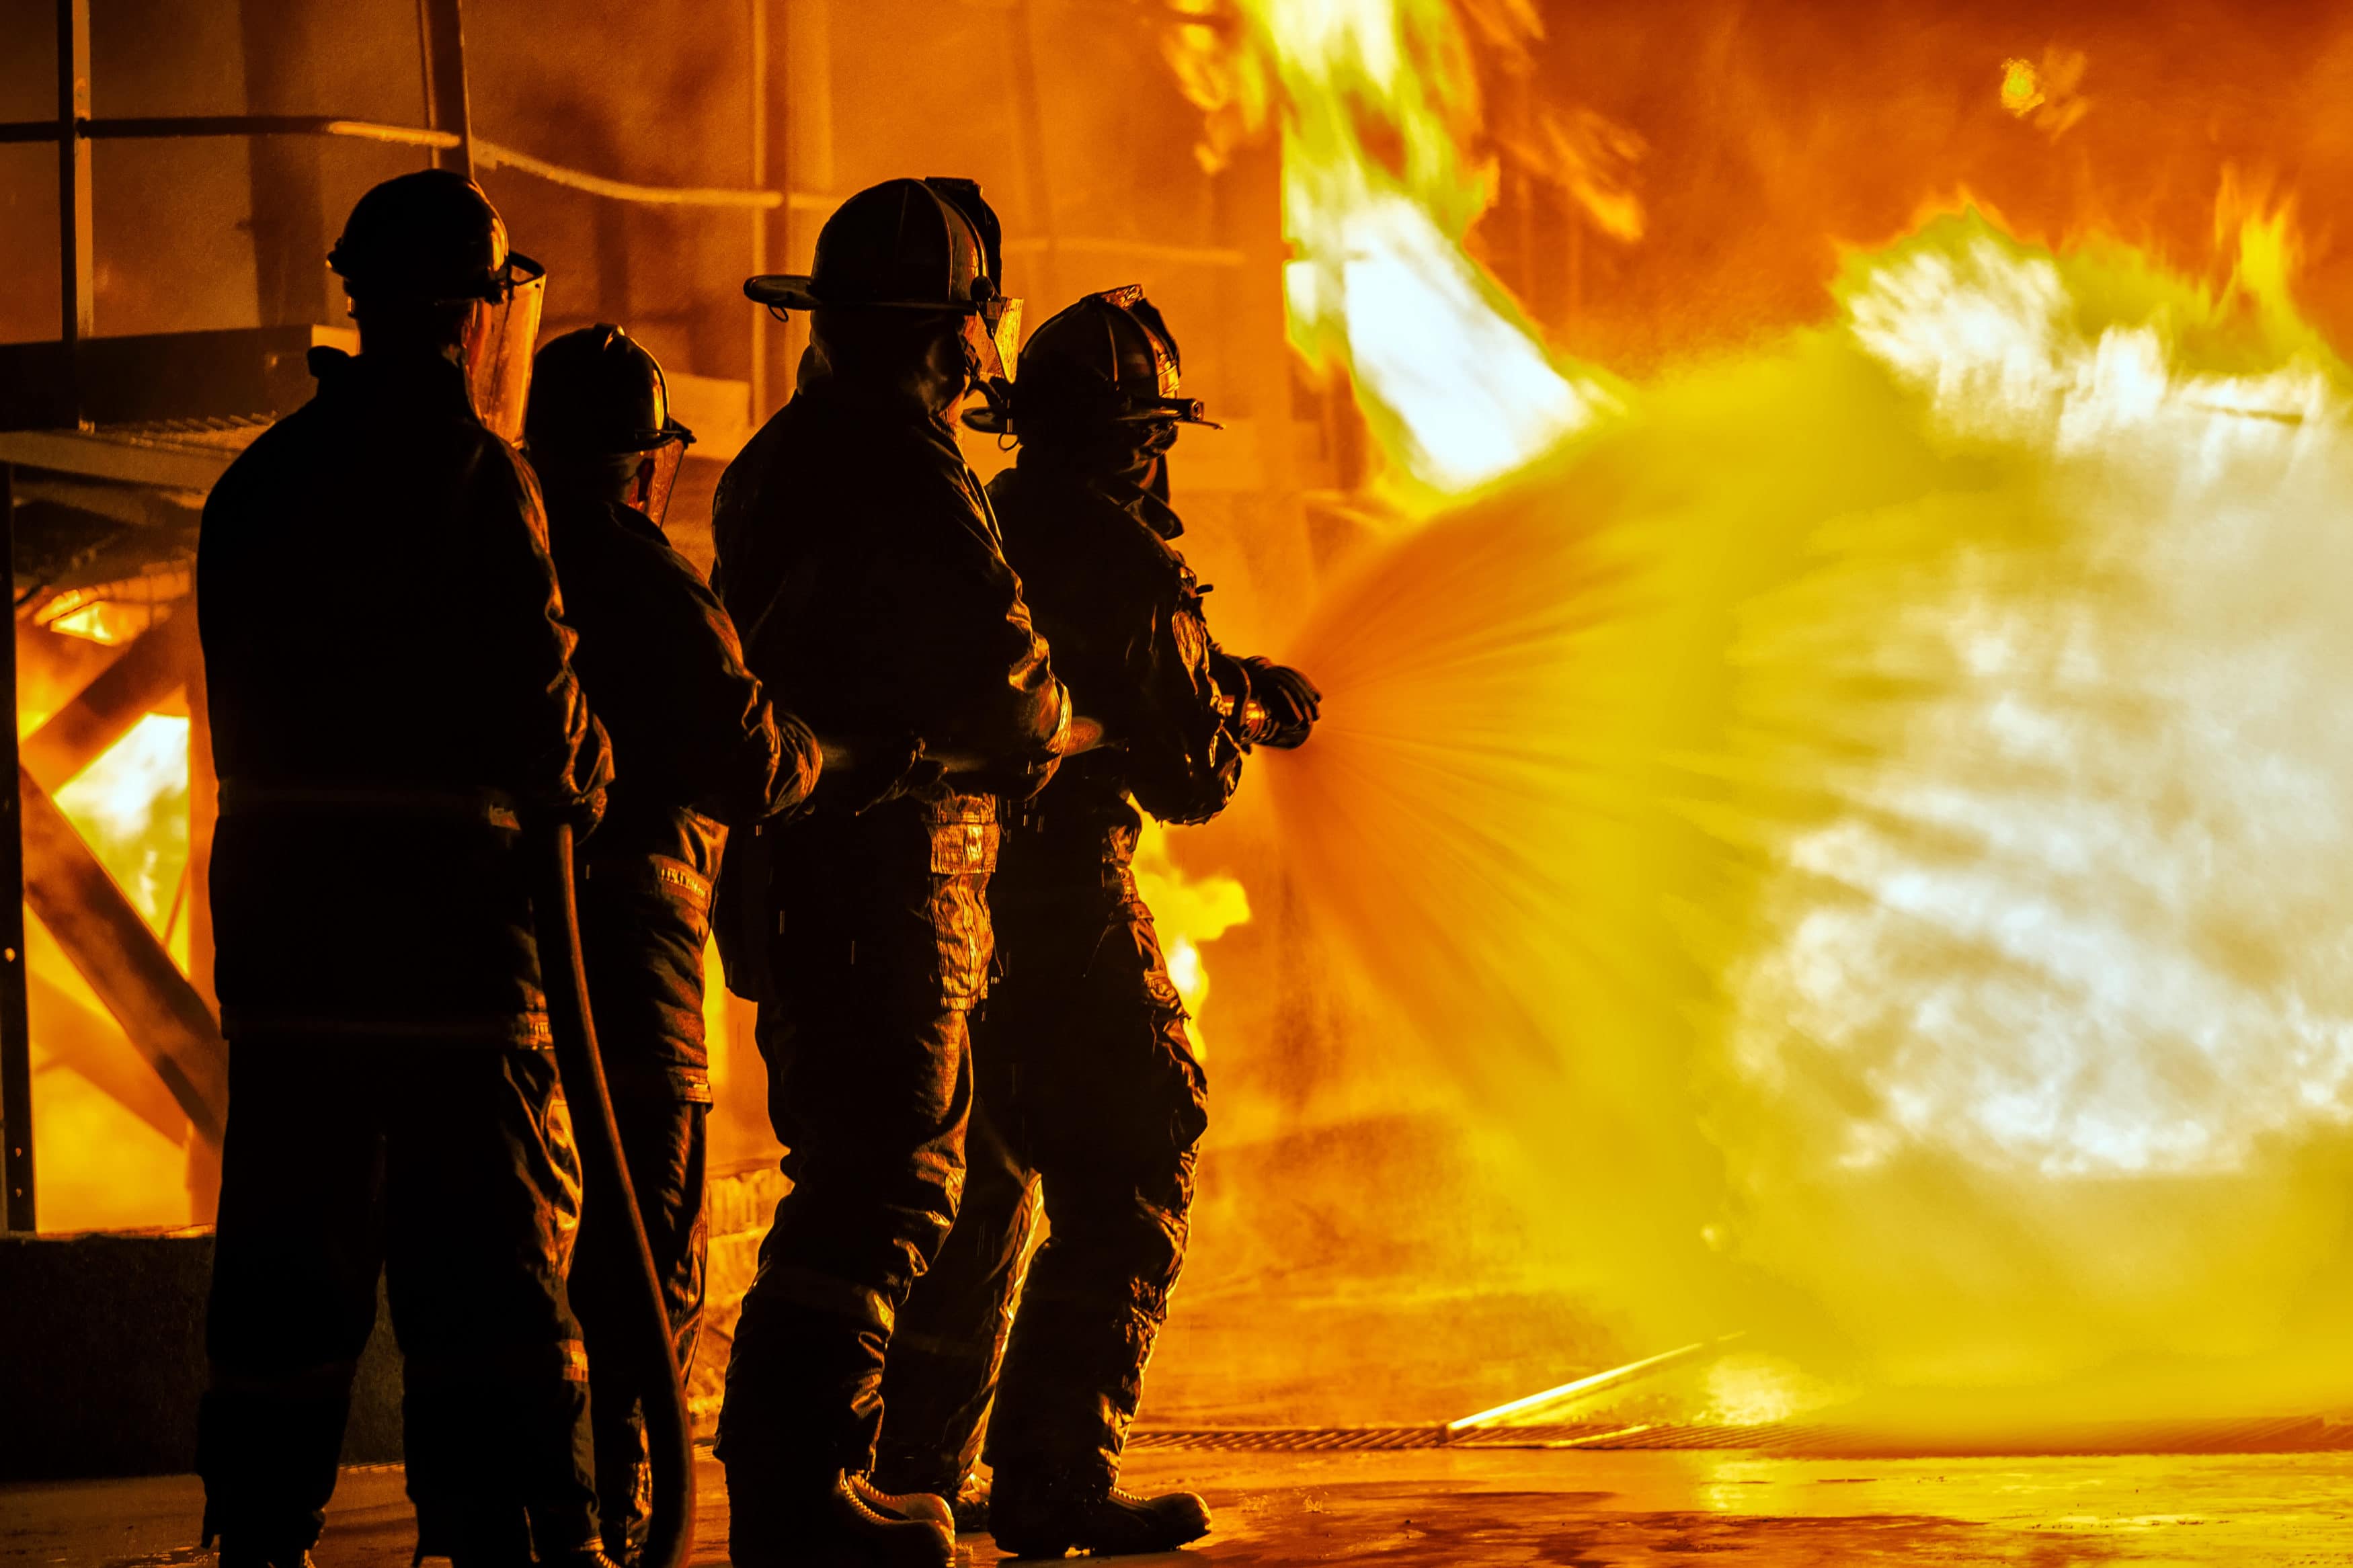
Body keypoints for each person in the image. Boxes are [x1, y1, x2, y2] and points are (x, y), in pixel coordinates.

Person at [196, 170, 613, 1566]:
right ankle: (501, 1529)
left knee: (281, 1272)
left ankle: (257, 1531)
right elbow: (543, 716)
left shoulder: (254, 486)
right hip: (451, 973)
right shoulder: (484, 480)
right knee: (484, 1283)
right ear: (480, 311)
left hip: (288, 968)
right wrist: (600, 768)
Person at [871, 286, 1320, 1559]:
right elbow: (1191, 775)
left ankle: (918, 1470)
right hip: (1066, 899)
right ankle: (1057, 1476)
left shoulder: (985, 518)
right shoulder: (1130, 558)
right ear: (1140, 434)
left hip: (955, 903)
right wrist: (1246, 705)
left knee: (988, 1188)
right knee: (1138, 1150)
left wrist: (1216, 680)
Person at [708, 177, 1070, 1568]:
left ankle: (840, 1472)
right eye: (974, 322)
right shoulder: (901, 461)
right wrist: (1036, 721)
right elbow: (1007, 675)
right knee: (884, 1179)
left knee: (899, 1168)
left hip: (814, 877)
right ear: (950, 329)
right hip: (884, 875)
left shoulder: (779, 458)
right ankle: (796, 1490)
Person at [523, 324, 820, 1565]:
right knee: (650, 1230)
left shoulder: (509, 556)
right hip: (638, 953)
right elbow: (751, 757)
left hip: (519, 958)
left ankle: (540, 1505)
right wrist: (818, 747)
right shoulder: (643, 576)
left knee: (533, 1225)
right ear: (648, 465)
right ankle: (621, 1507)